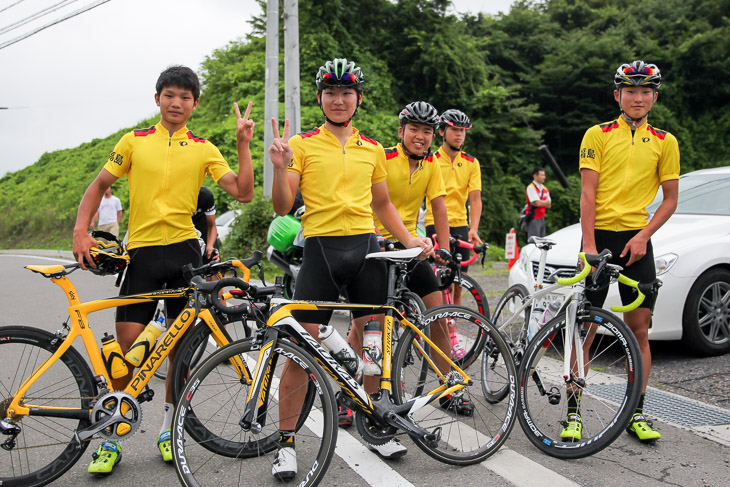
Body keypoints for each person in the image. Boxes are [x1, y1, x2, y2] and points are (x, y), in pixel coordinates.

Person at [72, 65, 255, 474]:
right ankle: (111, 437)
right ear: (157, 99)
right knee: (124, 354)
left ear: (194, 104)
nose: (177, 103)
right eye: (169, 95)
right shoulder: (133, 142)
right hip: (141, 255)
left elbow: (243, 192)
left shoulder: (204, 147)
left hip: (186, 257)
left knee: (180, 353)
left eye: (185, 97)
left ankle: (169, 429)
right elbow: (99, 186)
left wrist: (244, 145)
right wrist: (81, 232)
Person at [268, 58, 430, 478]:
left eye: (346, 93)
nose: (338, 100)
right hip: (320, 248)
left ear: (358, 98)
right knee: (299, 350)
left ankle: (375, 429)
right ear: (320, 98)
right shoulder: (302, 145)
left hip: (367, 249)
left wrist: (410, 239)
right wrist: (279, 164)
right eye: (330, 93)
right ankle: (285, 444)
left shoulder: (372, 148)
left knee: (375, 348)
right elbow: (283, 206)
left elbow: (382, 205)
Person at [571, 60, 679, 444]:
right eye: (630, 90)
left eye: (645, 91)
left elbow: (669, 200)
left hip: (637, 238)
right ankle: (574, 411)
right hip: (599, 238)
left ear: (654, 96)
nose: (638, 97)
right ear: (618, 94)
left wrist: (644, 235)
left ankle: (636, 412)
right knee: (586, 327)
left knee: (639, 330)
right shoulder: (597, 134)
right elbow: (588, 194)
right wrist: (588, 245)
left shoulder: (666, 141)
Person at [373, 101, 473, 415]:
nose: (420, 136)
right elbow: (369, 200)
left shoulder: (431, 166)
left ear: (433, 135)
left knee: (439, 315)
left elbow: (439, 207)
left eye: (427, 131)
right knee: (369, 324)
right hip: (376, 245)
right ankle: (355, 394)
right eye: (414, 129)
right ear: (401, 131)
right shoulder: (384, 158)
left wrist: (443, 249)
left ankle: (449, 386)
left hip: (411, 248)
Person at [424, 108, 483, 357]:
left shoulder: (471, 163)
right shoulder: (430, 159)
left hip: (459, 225)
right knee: (435, 286)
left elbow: (476, 200)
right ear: (442, 132)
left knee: (457, 285)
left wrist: (473, 230)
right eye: (454, 130)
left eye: (463, 131)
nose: (459, 135)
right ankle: (432, 330)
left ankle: (453, 333)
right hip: (433, 224)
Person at [193, 185, 219, 263]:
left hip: (203, 227)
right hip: (182, 228)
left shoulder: (205, 195)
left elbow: (212, 225)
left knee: (213, 259)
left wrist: (210, 245)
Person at [525, 166, 551, 240]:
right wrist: (544, 202)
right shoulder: (531, 187)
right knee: (534, 241)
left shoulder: (544, 189)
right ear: (535, 176)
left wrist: (540, 202)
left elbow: (549, 205)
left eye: (544, 175)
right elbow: (537, 203)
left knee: (542, 242)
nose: (544, 177)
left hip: (542, 217)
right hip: (534, 217)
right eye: (542, 175)